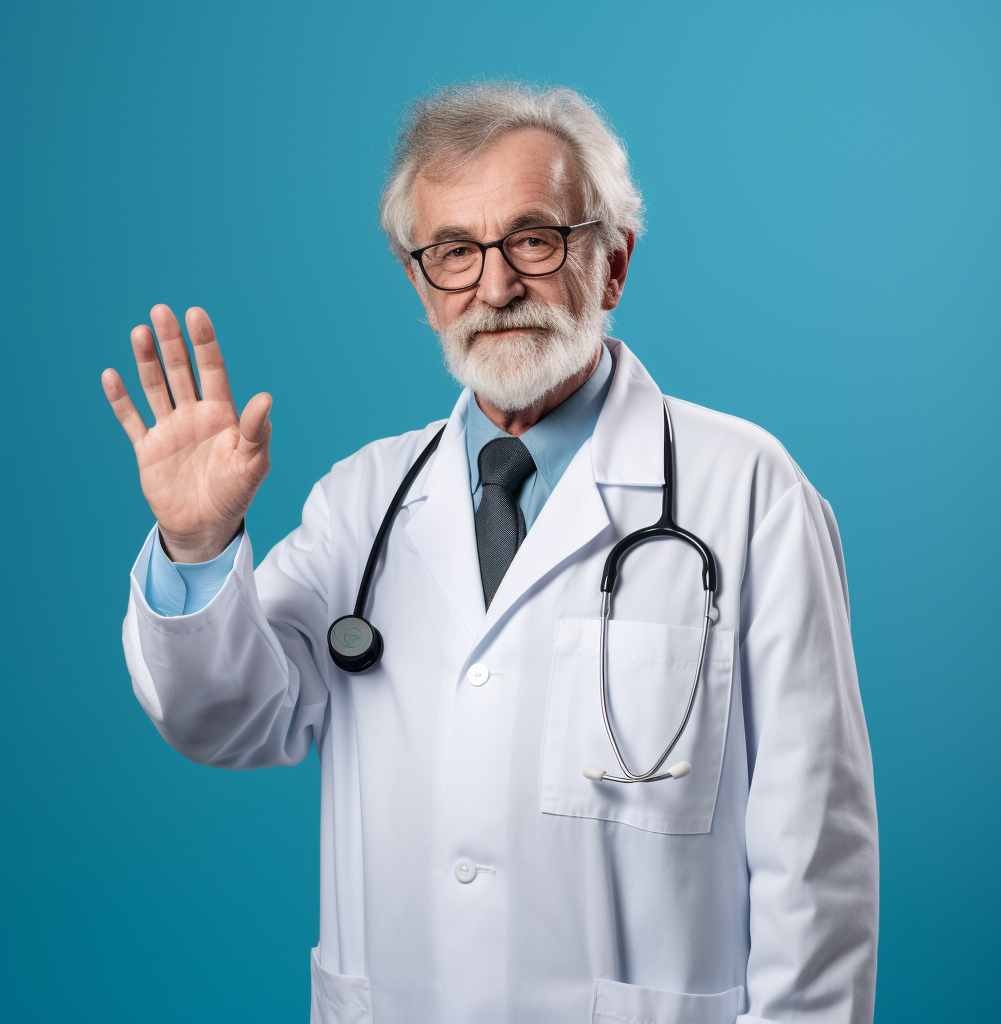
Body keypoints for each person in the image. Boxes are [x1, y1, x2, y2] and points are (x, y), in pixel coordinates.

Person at [102, 82, 878, 1024]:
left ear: (613, 263)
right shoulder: (364, 502)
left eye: (534, 239)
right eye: (455, 253)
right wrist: (195, 544)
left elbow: (815, 858)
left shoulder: (748, 490)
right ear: (422, 288)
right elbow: (226, 719)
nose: (496, 286)